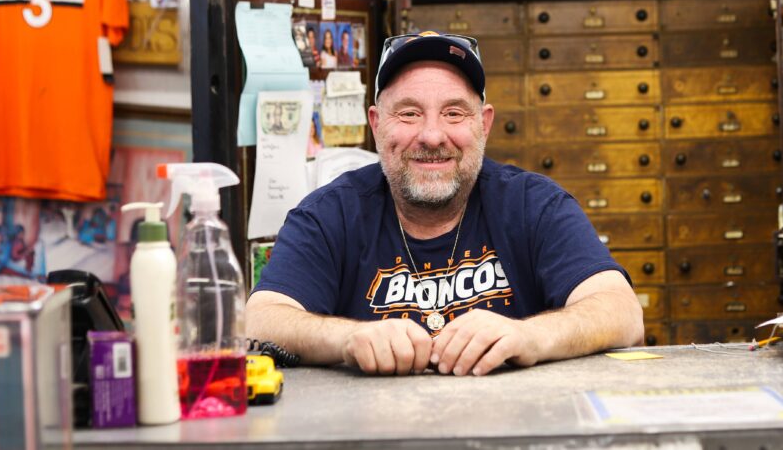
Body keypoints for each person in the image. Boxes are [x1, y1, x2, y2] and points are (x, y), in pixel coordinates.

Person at [247, 31, 644, 376]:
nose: (432, 135)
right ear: (376, 125)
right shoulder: (329, 215)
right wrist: (349, 338)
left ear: (483, 124)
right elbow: (259, 320)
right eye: (409, 113)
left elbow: (622, 313)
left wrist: (531, 336)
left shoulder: (534, 205)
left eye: (454, 113)